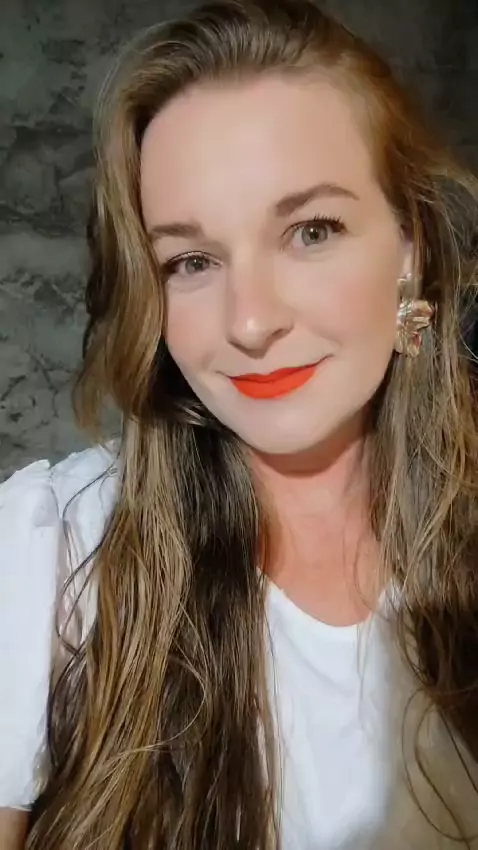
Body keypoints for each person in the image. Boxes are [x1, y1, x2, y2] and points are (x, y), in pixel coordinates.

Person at [1, 0, 478, 847]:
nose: (250, 322)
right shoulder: (53, 554)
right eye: (191, 260)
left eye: (310, 231)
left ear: (410, 248)